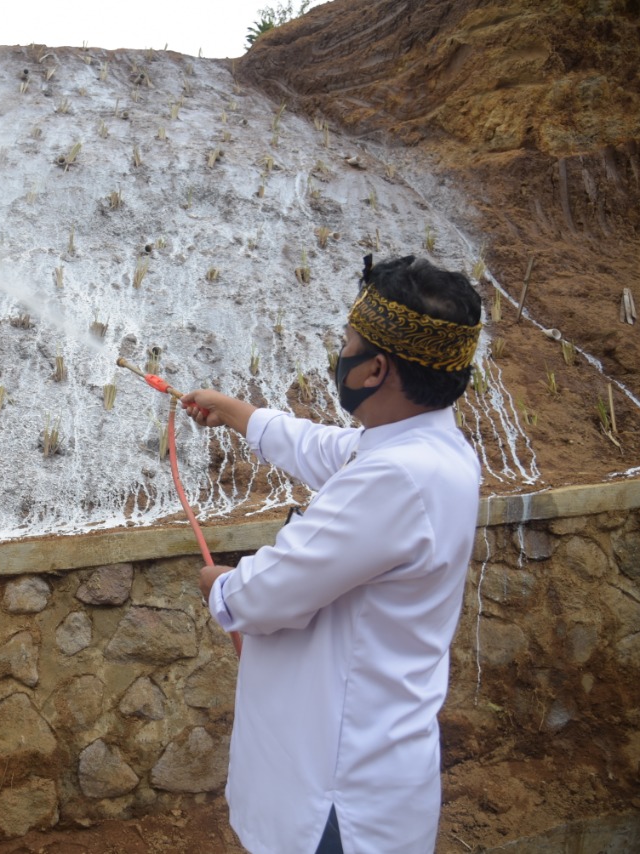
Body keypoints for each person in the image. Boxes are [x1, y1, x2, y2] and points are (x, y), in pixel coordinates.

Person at [181, 254, 483, 854]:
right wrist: (241, 416)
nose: (338, 355)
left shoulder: (397, 477)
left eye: (347, 343)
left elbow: (265, 596)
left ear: (375, 368)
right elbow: (334, 450)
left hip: (335, 802)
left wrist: (216, 584)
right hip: (363, 774)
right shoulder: (432, 451)